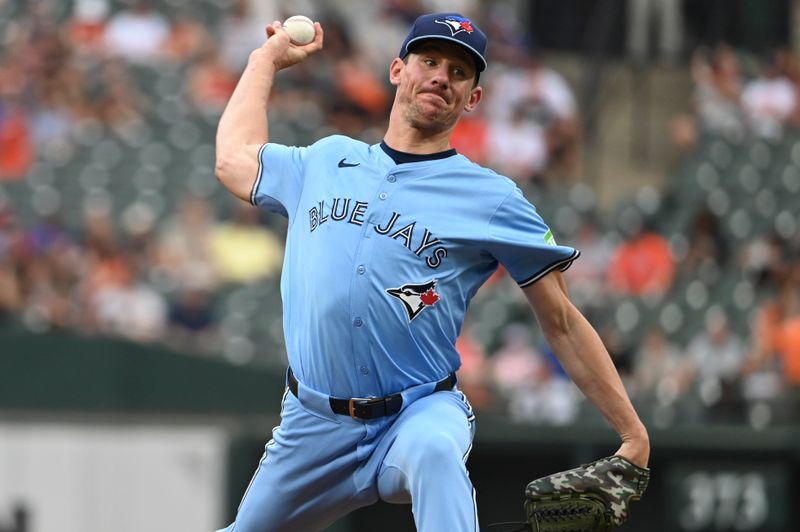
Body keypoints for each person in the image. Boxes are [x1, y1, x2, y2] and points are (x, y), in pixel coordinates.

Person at [214, 12, 649, 531]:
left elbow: (561, 319)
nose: (442, 76)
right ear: (398, 70)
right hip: (312, 426)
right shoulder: (327, 159)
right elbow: (233, 160)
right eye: (430, 60)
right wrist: (265, 60)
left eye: (460, 72)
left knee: (437, 453)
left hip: (417, 412)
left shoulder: (492, 198)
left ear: (473, 99)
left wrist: (632, 433)